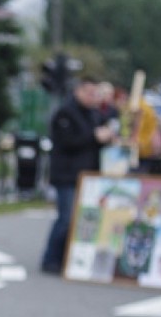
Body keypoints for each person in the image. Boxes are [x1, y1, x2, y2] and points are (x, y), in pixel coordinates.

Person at [40, 75, 115, 275]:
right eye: (89, 93)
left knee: (80, 220)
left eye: (95, 93)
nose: (93, 97)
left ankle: (67, 259)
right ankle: (51, 259)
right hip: (67, 175)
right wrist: (94, 137)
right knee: (66, 218)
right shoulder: (65, 113)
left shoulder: (94, 114)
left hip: (88, 176)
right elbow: (67, 142)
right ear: (78, 91)